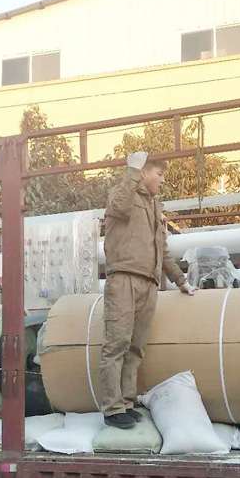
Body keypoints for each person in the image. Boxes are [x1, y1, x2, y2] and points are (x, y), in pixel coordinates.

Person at [100, 151, 195, 429]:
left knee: (135, 348)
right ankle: (112, 409)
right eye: (159, 174)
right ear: (143, 172)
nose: (162, 180)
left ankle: (126, 402)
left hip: (148, 283)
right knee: (116, 344)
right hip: (124, 278)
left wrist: (181, 281)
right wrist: (131, 170)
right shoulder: (123, 193)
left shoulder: (154, 207)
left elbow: (162, 251)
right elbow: (119, 207)